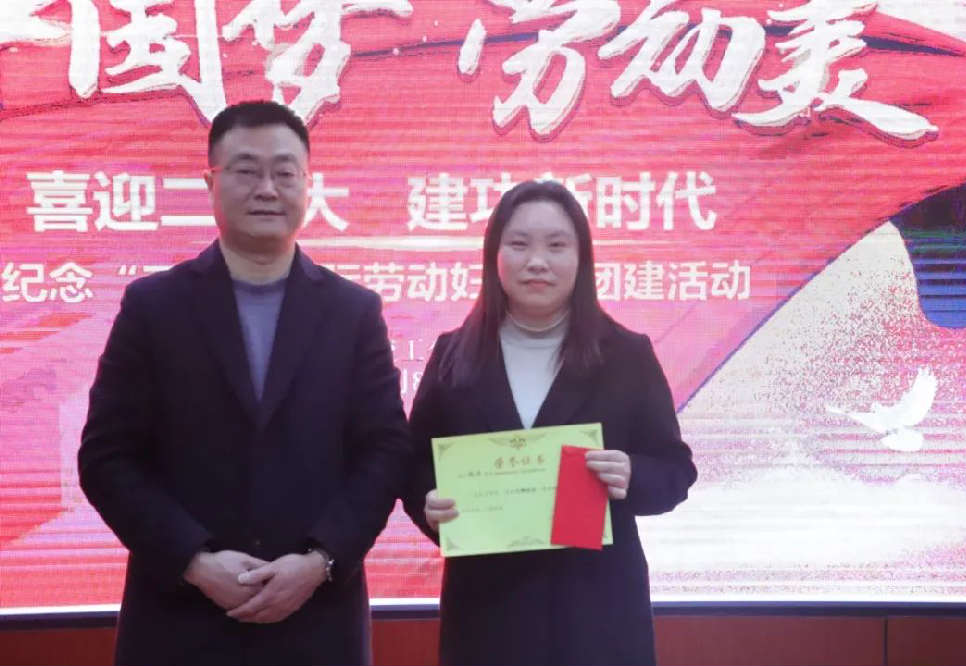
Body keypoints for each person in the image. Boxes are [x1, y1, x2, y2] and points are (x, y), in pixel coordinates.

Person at [78, 101, 410, 665]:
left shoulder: (353, 312)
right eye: (246, 170)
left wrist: (320, 562)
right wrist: (194, 561)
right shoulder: (154, 307)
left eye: (285, 172)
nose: (267, 189)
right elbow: (107, 458)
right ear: (211, 183)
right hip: (180, 623)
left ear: (309, 185)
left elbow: (384, 452)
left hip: (316, 622)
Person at [402, 179, 698, 665]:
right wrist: (428, 504)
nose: (537, 261)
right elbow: (414, 464)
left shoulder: (626, 355)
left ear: (582, 259)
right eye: (519, 244)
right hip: (487, 612)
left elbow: (675, 470)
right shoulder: (454, 355)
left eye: (556, 246)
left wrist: (632, 474)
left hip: (597, 613)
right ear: (494, 256)